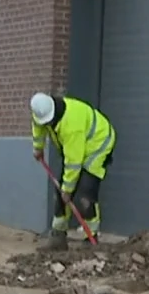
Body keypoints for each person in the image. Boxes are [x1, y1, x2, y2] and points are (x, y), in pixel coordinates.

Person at [29, 93, 115, 248]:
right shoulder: (41, 113)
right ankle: (58, 236)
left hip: (98, 143)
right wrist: (38, 148)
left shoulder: (71, 126)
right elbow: (38, 127)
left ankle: (91, 237)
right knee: (61, 190)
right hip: (77, 146)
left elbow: (73, 163)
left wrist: (67, 190)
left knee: (85, 193)